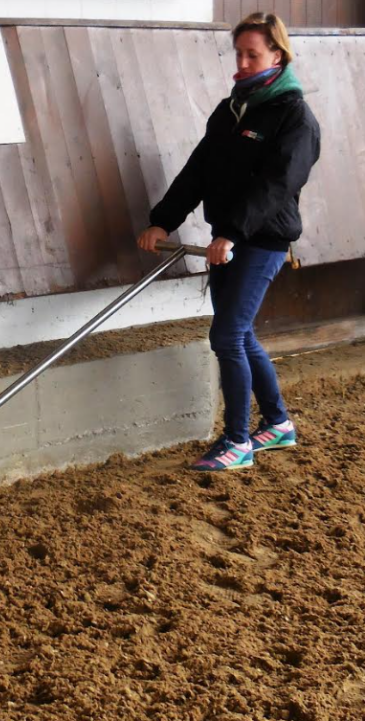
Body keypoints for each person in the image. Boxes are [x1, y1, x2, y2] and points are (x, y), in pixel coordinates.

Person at [136, 12, 321, 471]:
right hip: (228, 239)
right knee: (239, 332)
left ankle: (237, 442)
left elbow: (277, 186)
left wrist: (232, 232)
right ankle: (277, 424)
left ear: (277, 55)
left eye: (252, 54)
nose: (241, 62)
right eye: (237, 53)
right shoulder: (231, 109)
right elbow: (198, 171)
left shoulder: (294, 117)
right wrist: (163, 222)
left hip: (263, 241)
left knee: (227, 335)